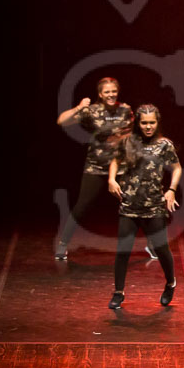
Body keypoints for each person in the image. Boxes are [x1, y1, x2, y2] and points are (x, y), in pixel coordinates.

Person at [107, 105, 181, 309]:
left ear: (157, 123)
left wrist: (172, 189)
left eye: (152, 123)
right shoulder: (127, 142)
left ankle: (170, 283)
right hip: (130, 204)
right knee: (123, 250)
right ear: (138, 123)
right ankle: (118, 292)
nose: (148, 127)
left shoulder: (164, 145)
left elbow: (176, 168)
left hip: (154, 206)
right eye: (144, 123)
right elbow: (115, 161)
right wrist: (111, 179)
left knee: (161, 248)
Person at [55, 77, 134, 260]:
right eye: (107, 92)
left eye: (113, 91)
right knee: (82, 205)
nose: (111, 95)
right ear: (100, 94)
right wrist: (79, 107)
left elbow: (134, 131)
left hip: (121, 166)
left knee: (134, 204)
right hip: (96, 165)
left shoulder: (125, 109)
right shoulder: (91, 111)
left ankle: (152, 244)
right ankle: (63, 244)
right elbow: (62, 121)